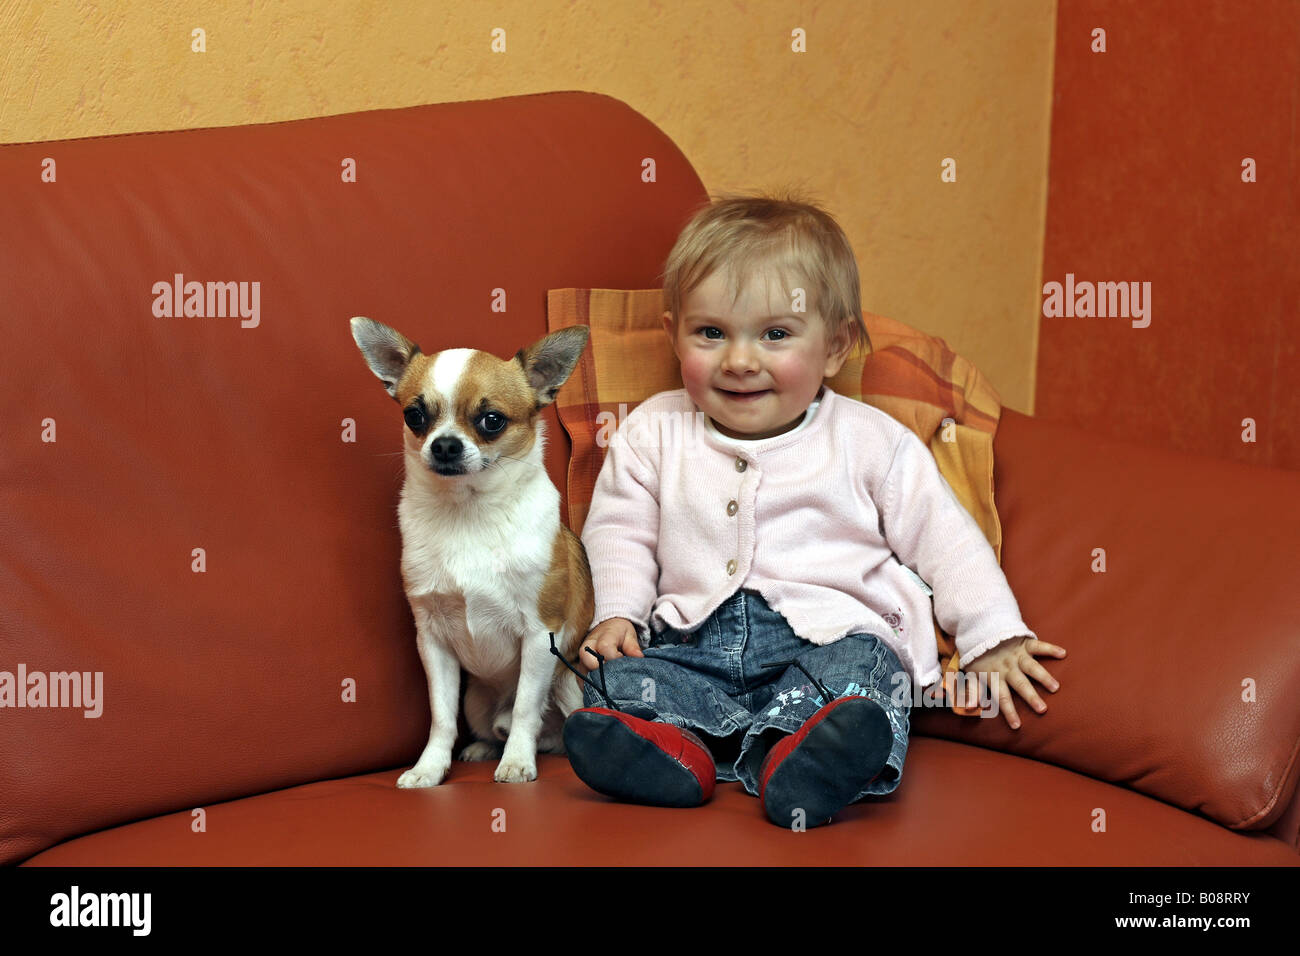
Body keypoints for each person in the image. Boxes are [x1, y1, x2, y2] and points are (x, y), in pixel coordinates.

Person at [561, 189, 1067, 828]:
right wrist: (616, 614)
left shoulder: (870, 442)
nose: (740, 360)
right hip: (694, 646)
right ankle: (673, 757)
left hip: (824, 644)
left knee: (870, 671)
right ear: (673, 335)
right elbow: (618, 532)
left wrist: (991, 634)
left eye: (776, 335)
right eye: (711, 333)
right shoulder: (652, 433)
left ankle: (799, 759)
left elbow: (946, 539)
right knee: (612, 685)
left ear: (834, 346)